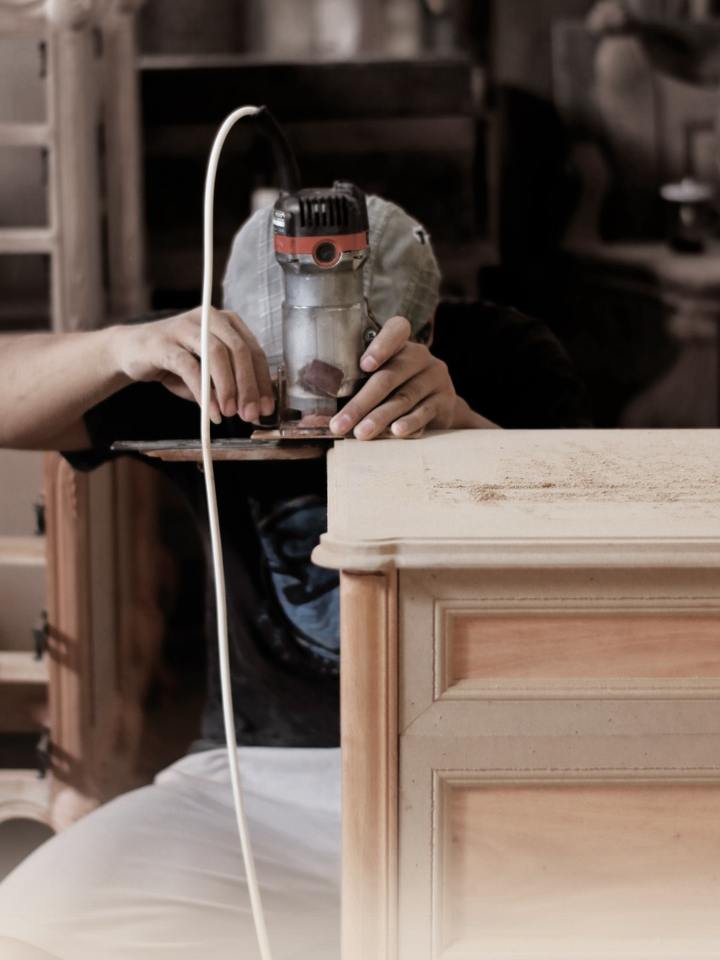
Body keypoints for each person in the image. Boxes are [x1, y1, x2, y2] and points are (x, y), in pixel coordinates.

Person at [0, 196, 590, 960]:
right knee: (34, 925)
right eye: (284, 373)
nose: (310, 392)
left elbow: (596, 549)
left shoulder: (504, 355)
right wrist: (121, 347)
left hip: (483, 772)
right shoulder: (208, 367)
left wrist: (465, 437)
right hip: (256, 786)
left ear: (426, 328)